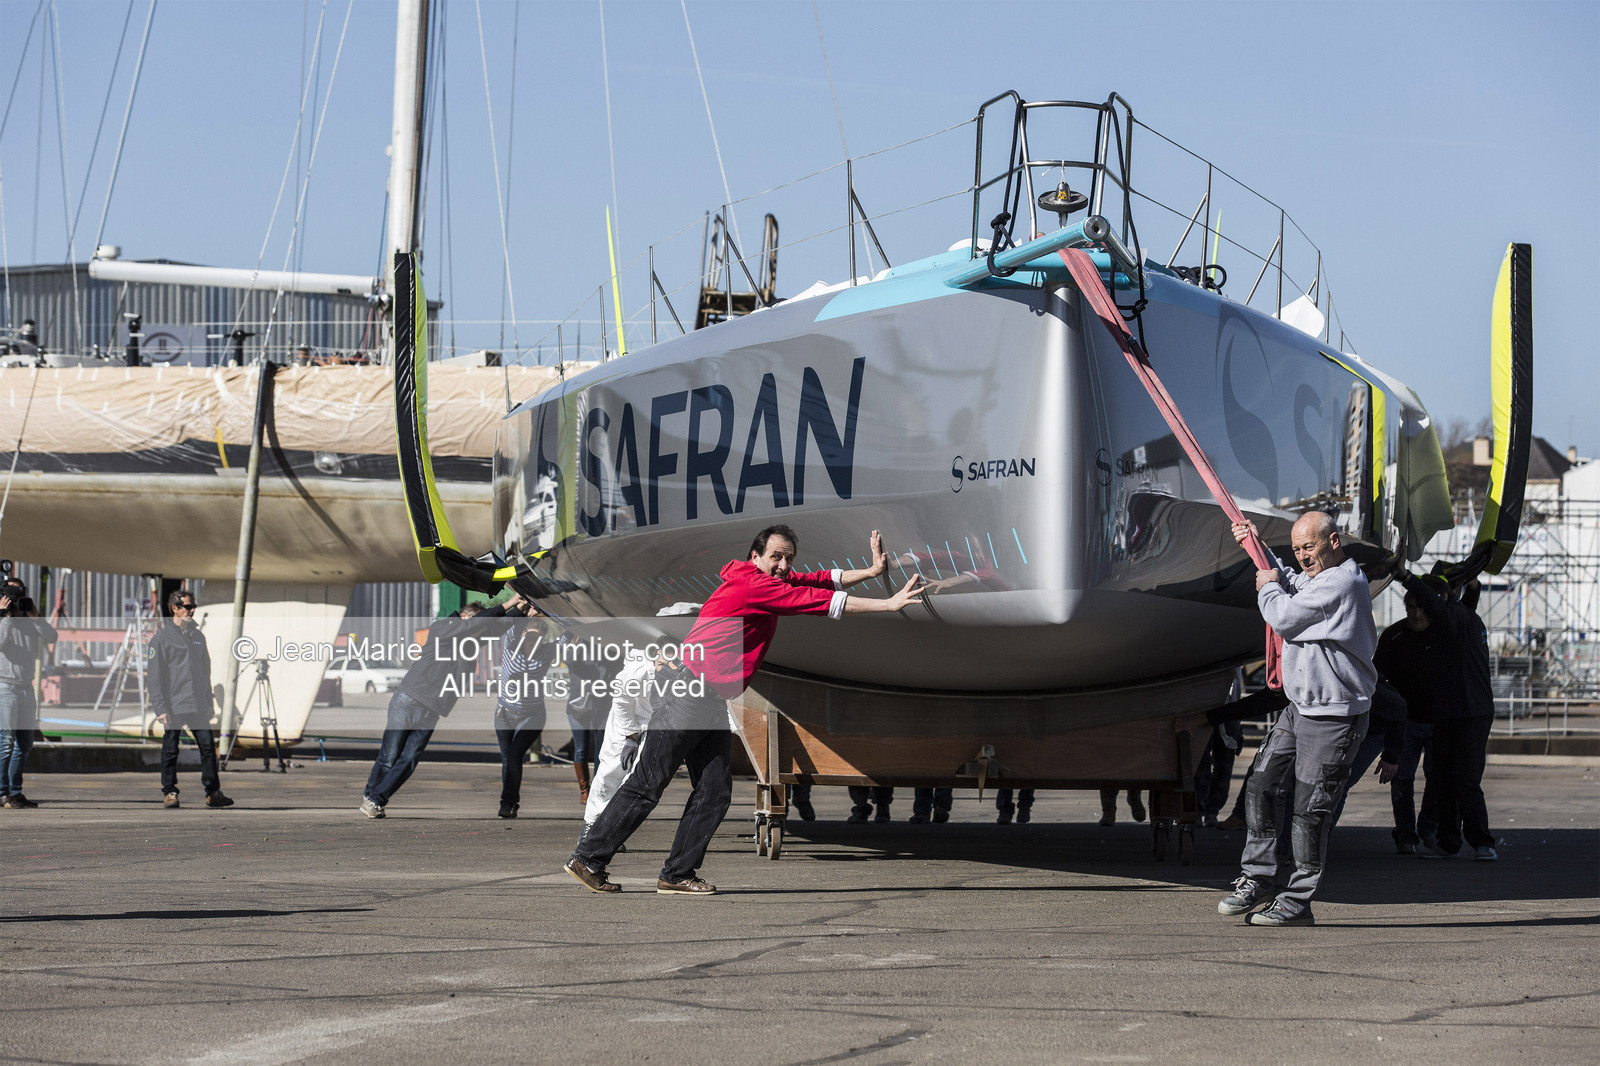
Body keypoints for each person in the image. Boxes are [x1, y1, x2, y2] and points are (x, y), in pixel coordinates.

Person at [565, 525, 925, 895]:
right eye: (776, 557)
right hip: (690, 690)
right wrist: (888, 603)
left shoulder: (763, 577)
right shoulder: (756, 585)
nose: (784, 565)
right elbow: (820, 603)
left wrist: (870, 572)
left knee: (714, 791)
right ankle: (588, 857)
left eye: (788, 558)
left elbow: (818, 581)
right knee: (648, 782)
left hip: (709, 696)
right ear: (756, 557)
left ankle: (676, 874)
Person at [1217, 513, 1376, 927]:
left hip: (1334, 717)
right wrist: (1255, 545)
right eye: (1298, 548)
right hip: (1300, 707)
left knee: (1309, 812)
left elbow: (1283, 615)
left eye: (1311, 546)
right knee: (1261, 785)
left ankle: (1297, 899)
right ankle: (1258, 877)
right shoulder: (1318, 576)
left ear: (1334, 541)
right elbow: (1289, 579)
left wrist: (1265, 584)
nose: (1303, 556)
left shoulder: (1341, 582)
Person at [360, 594, 525, 818]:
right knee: (390, 755)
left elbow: (495, 628)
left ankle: (375, 800)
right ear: (465, 616)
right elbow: (481, 624)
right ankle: (371, 796)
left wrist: (522, 611)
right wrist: (508, 603)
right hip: (409, 700)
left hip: (432, 708)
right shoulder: (444, 628)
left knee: (409, 759)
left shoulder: (470, 641)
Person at [1397, 570, 1498, 860]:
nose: (1419, 614)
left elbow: (1440, 606)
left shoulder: (1454, 617)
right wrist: (1473, 582)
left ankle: (1483, 842)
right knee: (1441, 778)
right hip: (1447, 713)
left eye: (1423, 606)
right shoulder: (1460, 616)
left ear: (1440, 599)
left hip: (1471, 713)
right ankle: (1449, 841)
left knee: (1465, 779)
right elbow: (1464, 600)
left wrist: (1403, 574)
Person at [1373, 585, 1445, 853]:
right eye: (1411, 607)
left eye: (1421, 607)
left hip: (1438, 719)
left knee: (1436, 778)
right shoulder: (1394, 636)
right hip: (1406, 722)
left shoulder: (1443, 632)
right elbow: (1376, 678)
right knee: (1402, 777)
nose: (1416, 614)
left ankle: (1429, 829)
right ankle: (1405, 834)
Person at [147, 590, 232, 809]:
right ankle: (170, 792)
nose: (192, 610)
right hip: (173, 706)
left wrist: (209, 701)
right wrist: (160, 708)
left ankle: (213, 792)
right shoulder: (161, 640)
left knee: (207, 748)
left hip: (197, 705)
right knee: (170, 749)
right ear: (174, 608)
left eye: (193, 607)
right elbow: (155, 678)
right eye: (187, 607)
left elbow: (205, 671)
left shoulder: (198, 637)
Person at [580, 645, 658, 838]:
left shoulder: (683, 667)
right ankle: (593, 825)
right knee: (611, 770)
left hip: (656, 720)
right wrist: (630, 736)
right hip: (627, 716)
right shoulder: (639, 670)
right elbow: (622, 701)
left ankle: (613, 829)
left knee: (638, 778)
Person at [495, 611, 558, 819]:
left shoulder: (547, 651)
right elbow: (514, 629)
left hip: (532, 715)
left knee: (514, 755)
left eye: (537, 638)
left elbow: (567, 638)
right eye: (529, 636)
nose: (532, 641)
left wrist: (558, 612)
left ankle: (508, 803)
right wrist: (526, 609)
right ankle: (510, 802)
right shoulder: (512, 647)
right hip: (504, 713)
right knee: (507, 759)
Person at [0, 582, 55, 809]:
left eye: (18, 594)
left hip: (26, 687)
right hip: (5, 687)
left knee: (25, 743)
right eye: (10, 594)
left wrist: (34, 615)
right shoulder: (4, 620)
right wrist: (5, 616)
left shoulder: (29, 620)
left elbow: (51, 637)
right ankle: (2, 793)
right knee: (5, 743)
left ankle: (15, 792)